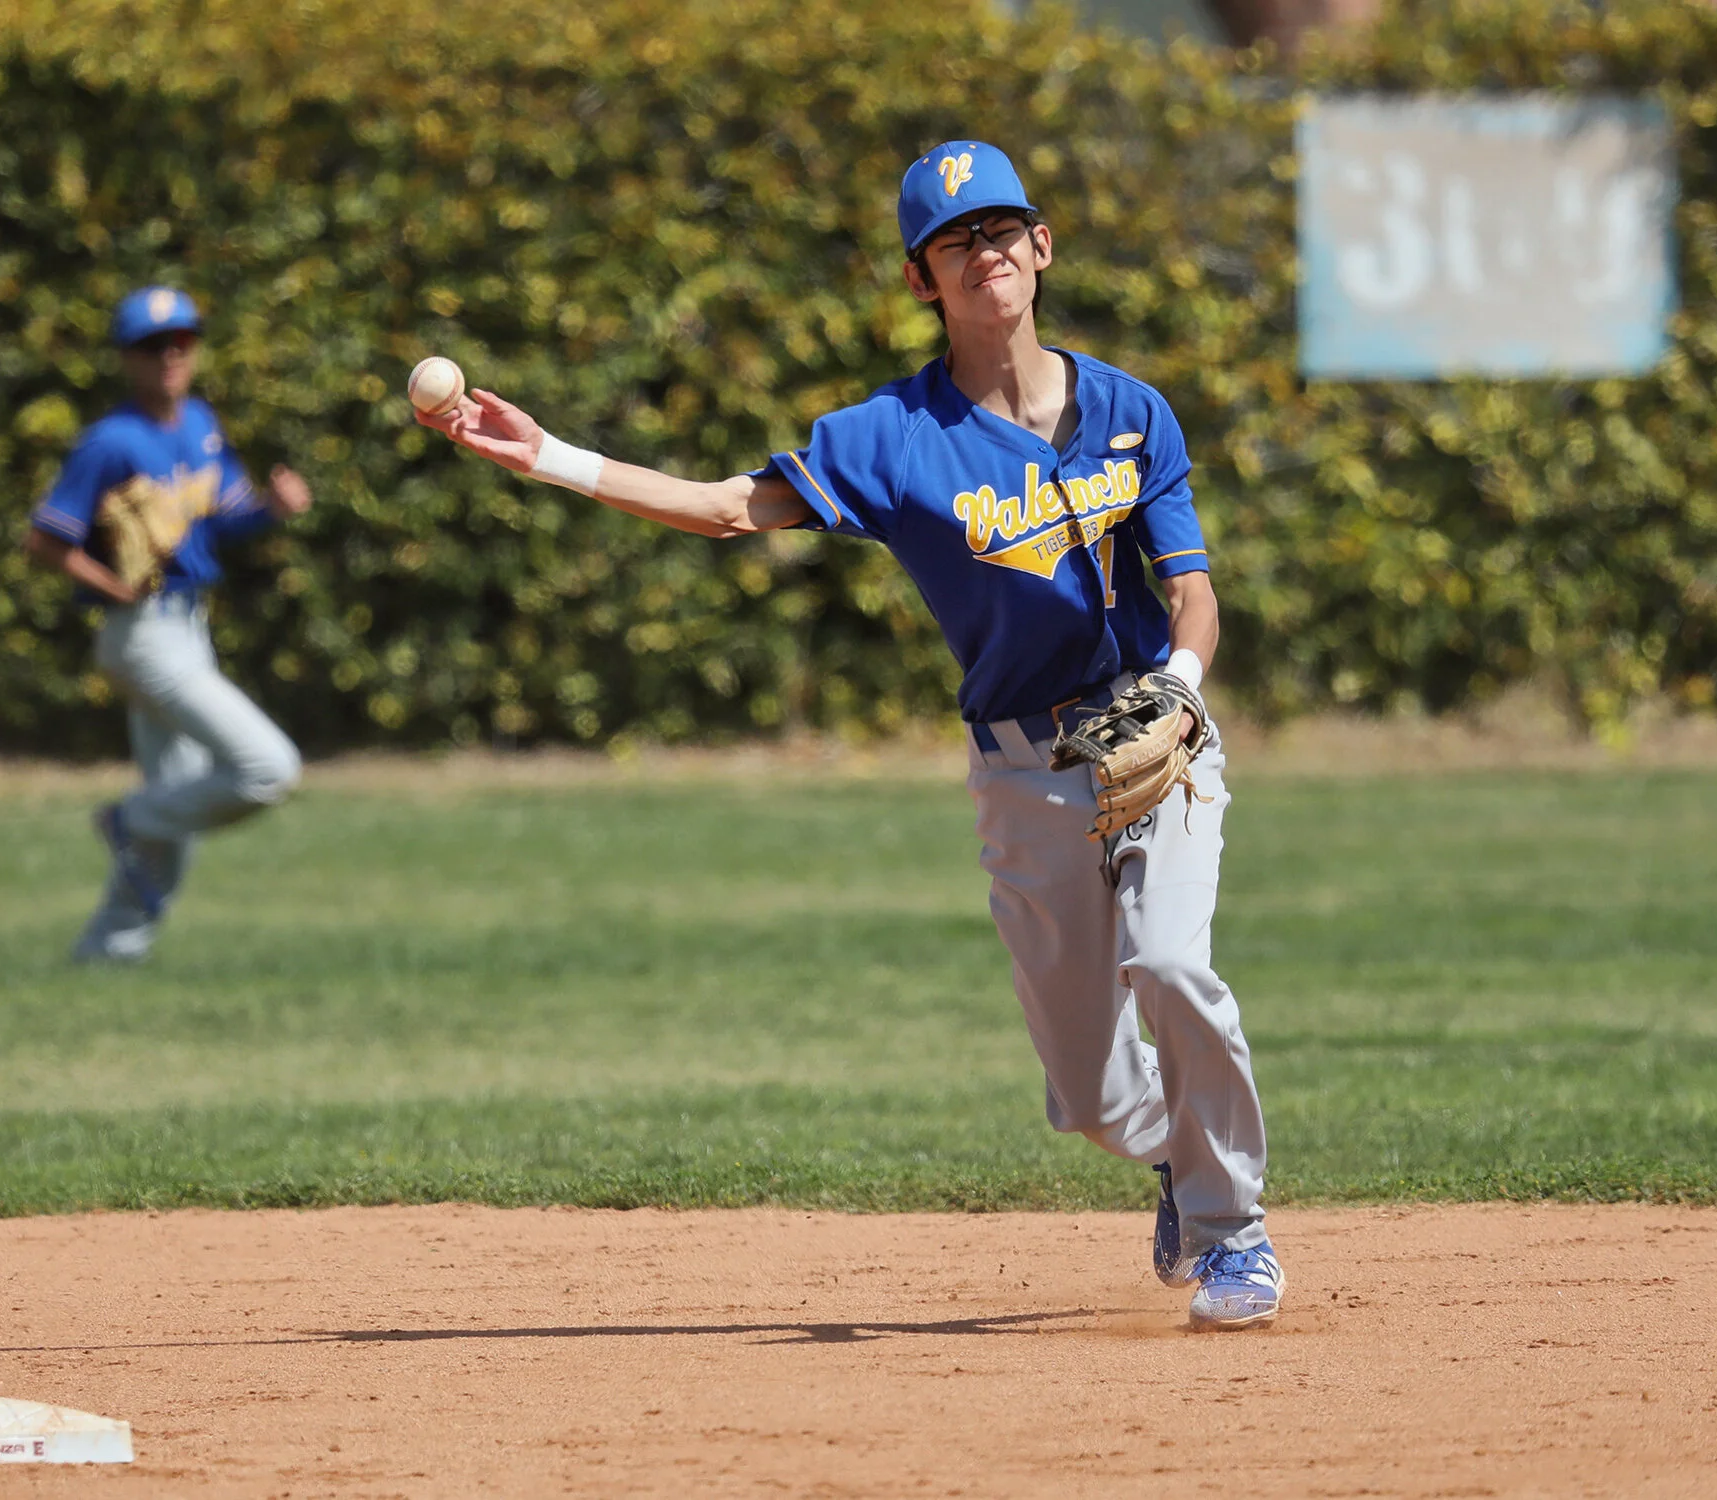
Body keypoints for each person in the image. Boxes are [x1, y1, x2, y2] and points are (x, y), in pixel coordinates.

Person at [420, 142, 1283, 1329]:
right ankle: (1177, 1165)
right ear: (924, 281)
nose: (984, 252)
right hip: (1023, 772)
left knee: (1176, 963)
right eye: (954, 241)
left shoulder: (1133, 412)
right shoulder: (890, 437)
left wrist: (1182, 684)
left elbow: (1193, 592)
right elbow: (729, 509)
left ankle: (1236, 1232)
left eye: (1002, 229)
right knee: (1087, 1098)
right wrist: (552, 456)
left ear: (1042, 248)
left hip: (1159, 739)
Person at [22, 286, 310, 964]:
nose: (171, 355)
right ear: (128, 358)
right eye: (153, 345)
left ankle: (108, 953)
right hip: (141, 633)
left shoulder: (199, 423)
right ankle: (125, 820)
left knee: (172, 822)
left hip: (189, 628)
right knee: (267, 767)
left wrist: (269, 506)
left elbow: (226, 514)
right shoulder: (110, 443)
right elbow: (44, 540)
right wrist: (109, 583)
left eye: (182, 340)